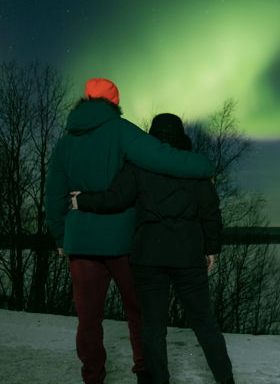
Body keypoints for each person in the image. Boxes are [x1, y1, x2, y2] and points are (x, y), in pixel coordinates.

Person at [45, 80, 215, 384]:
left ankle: (92, 376)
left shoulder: (65, 141)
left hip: (80, 242)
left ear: (86, 100)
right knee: (139, 312)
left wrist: (60, 236)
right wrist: (204, 165)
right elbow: (165, 158)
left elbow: (54, 192)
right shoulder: (122, 131)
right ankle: (145, 372)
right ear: (115, 102)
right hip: (124, 241)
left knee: (88, 320)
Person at [72, 113, 235, 384]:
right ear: (181, 137)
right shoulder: (195, 169)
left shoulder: (138, 165)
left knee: (153, 327)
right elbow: (210, 214)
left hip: (149, 255)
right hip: (188, 254)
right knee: (205, 324)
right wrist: (211, 249)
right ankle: (226, 381)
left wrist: (82, 201)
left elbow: (114, 199)